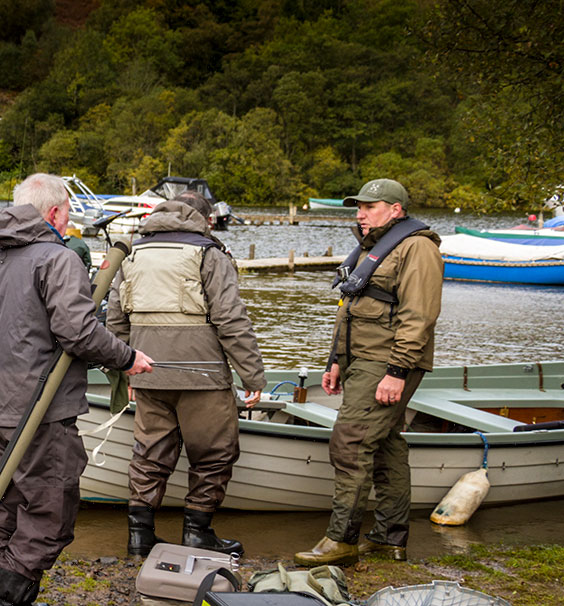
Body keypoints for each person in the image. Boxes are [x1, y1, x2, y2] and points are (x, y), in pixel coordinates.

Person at [0, 174, 152, 606]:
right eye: (66, 214)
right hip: (44, 411)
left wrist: (7, 352)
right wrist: (128, 357)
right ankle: (13, 602)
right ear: (56, 213)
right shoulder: (58, 259)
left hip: (1, 406)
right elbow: (78, 331)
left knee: (8, 501)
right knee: (51, 508)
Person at [105, 191, 266, 558]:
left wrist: (126, 368)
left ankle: (140, 538)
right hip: (203, 375)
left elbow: (115, 319)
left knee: (148, 455)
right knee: (213, 455)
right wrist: (252, 376)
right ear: (205, 219)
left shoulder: (132, 253)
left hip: (147, 372)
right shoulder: (210, 254)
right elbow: (231, 319)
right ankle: (197, 533)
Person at [296, 179, 442, 566]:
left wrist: (396, 370)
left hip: (388, 361)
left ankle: (340, 540)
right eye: (358, 207)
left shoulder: (417, 248)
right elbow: (351, 310)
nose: (360, 214)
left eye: (370, 206)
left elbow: (419, 317)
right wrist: (336, 361)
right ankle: (387, 539)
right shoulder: (372, 248)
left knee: (351, 443)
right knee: (386, 446)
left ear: (396, 209)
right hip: (362, 360)